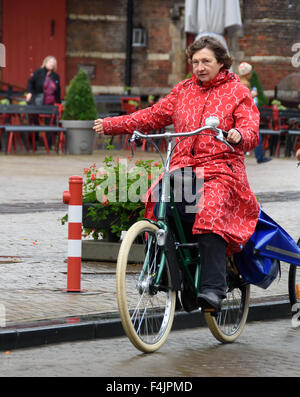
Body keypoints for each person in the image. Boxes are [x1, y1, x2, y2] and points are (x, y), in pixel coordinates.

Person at [94, 36, 260, 310]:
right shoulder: (183, 91)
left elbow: (251, 129)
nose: (200, 66)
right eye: (195, 61)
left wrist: (238, 134)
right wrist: (113, 124)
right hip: (183, 169)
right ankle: (176, 278)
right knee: (159, 203)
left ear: (221, 62)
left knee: (210, 211)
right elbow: (151, 116)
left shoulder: (237, 92)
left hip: (221, 169)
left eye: (206, 61)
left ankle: (212, 288)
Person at [238, 61, 271, 164]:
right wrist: (253, 95)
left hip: (241, 114)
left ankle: (259, 156)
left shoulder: (238, 81)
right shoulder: (245, 83)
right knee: (256, 134)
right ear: (247, 73)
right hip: (246, 113)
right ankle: (260, 157)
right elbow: (244, 98)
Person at [26, 56, 61, 149]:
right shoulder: (38, 72)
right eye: (50, 62)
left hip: (51, 103)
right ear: (45, 62)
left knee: (51, 123)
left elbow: (58, 91)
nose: (52, 64)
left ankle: (49, 145)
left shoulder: (56, 76)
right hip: (38, 102)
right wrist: (29, 93)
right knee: (35, 122)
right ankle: (34, 144)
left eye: (53, 63)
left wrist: (59, 104)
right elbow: (30, 82)